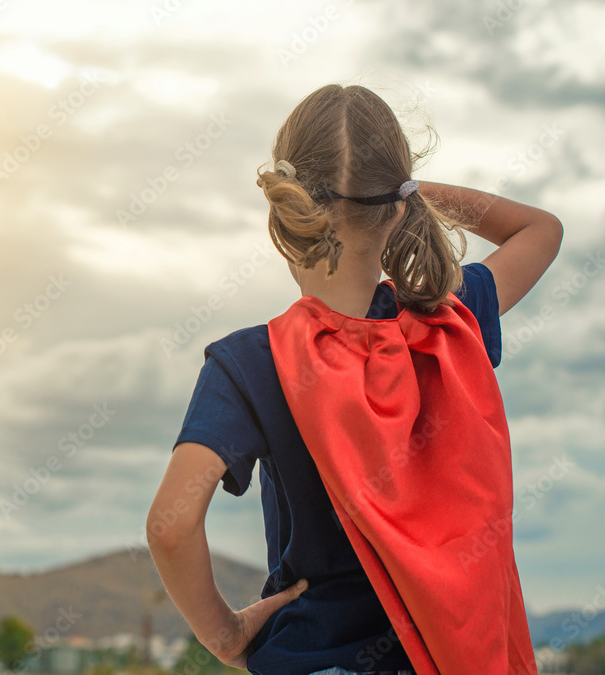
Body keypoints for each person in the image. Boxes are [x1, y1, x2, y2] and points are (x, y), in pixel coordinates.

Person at [145, 84, 563, 675]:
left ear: (284, 207)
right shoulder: (452, 322)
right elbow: (540, 230)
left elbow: (171, 527)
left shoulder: (252, 363)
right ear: (397, 206)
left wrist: (226, 634)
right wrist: (406, 196)